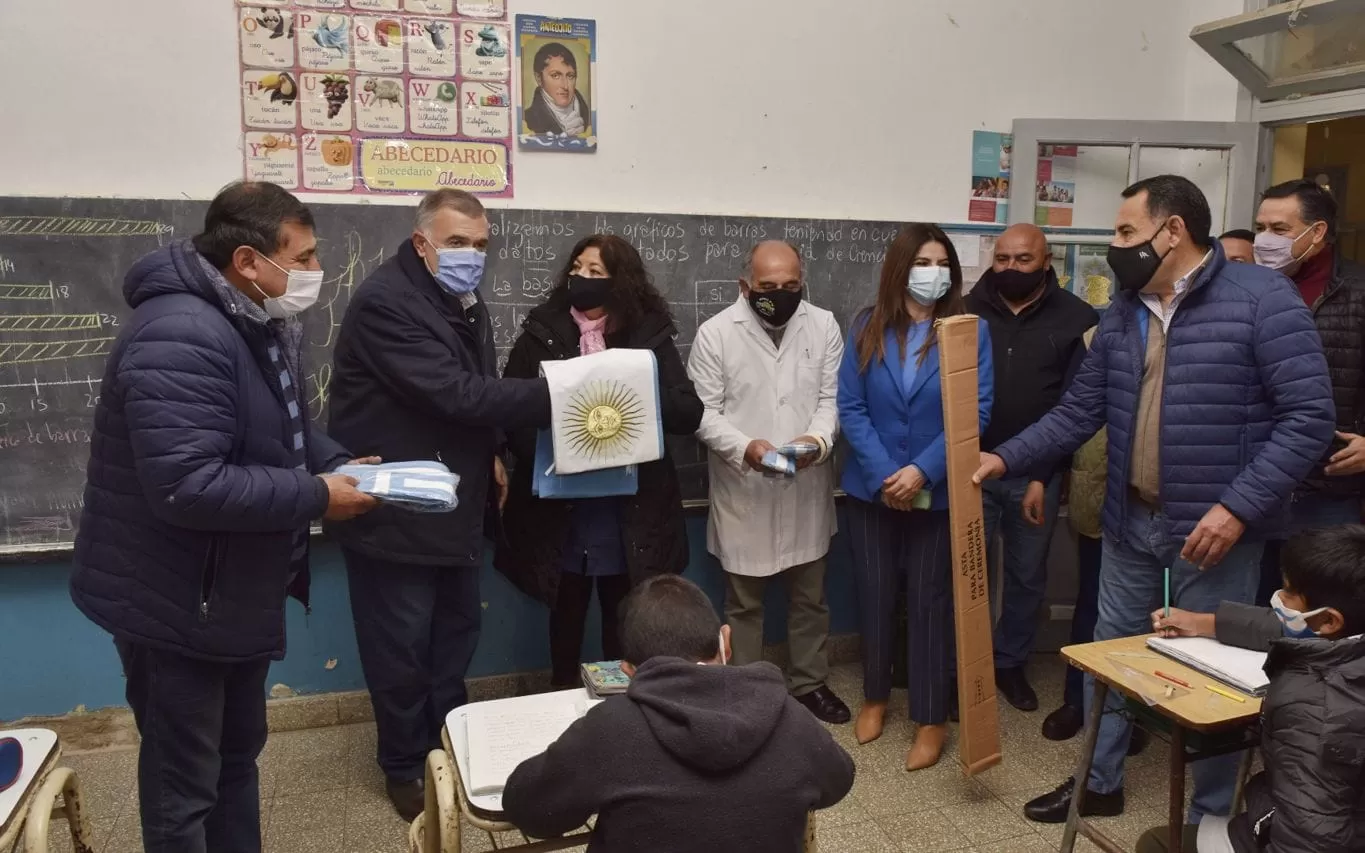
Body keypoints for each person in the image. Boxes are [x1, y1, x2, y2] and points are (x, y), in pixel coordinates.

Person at [973, 174, 1335, 825]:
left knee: (1211, 672)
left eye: (1123, 231)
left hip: (1214, 531)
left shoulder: (1262, 299)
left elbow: (1307, 419)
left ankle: (1210, 816)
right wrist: (1002, 456)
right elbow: (1079, 408)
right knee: (1110, 659)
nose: (1115, 246)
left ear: (1171, 232)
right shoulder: (1125, 306)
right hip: (1128, 521)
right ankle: (1098, 781)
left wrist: (1237, 508)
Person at [70, 181, 378, 853]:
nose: (313, 271)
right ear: (247, 260)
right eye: (302, 256)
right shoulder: (180, 332)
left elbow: (284, 430)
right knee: (185, 785)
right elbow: (189, 485)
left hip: (232, 595)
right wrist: (323, 495)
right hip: (178, 604)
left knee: (235, 760)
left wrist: (345, 462)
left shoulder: (256, 318)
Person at [327, 189, 552, 821]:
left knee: (455, 636)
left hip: (456, 502)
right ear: (423, 243)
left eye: (481, 245)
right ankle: (404, 765)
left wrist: (498, 453)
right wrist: (561, 392)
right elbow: (455, 393)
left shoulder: (458, 300)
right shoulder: (385, 303)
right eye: (457, 244)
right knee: (400, 647)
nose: (472, 256)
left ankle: (446, 747)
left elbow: (477, 382)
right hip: (398, 508)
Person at [501, 575, 856, 853]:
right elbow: (838, 782)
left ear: (627, 671)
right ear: (726, 642)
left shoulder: (610, 728)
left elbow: (528, 809)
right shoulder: (789, 716)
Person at [494, 234, 703, 688]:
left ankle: (623, 706)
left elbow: (689, 413)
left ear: (620, 282)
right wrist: (552, 454)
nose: (581, 278)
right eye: (577, 268)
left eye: (596, 272)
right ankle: (561, 692)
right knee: (565, 608)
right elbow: (509, 410)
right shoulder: (541, 331)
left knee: (624, 608)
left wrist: (637, 381)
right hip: (562, 507)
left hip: (629, 509)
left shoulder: (649, 334)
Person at [837, 223, 994, 771]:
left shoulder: (968, 331)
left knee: (929, 604)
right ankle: (876, 697)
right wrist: (887, 474)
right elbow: (851, 407)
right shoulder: (866, 325)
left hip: (939, 493)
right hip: (871, 491)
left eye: (941, 261)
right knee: (875, 596)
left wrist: (921, 471)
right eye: (922, 261)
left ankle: (931, 718)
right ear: (900, 269)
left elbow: (974, 411)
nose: (933, 271)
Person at [687, 240, 850, 725]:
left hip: (807, 488)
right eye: (767, 287)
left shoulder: (822, 326)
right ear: (745, 286)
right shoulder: (716, 334)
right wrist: (747, 448)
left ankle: (810, 685)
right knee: (744, 604)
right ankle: (747, 691)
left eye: (790, 286)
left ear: (803, 284)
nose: (779, 295)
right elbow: (703, 414)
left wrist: (817, 441)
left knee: (810, 599)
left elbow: (830, 399)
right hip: (745, 491)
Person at [1135, 525, 1365, 853]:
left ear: (1329, 622)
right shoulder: (1345, 628)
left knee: (1158, 843)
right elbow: (1284, 625)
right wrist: (1206, 623)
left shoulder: (1317, 710)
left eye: (1288, 594)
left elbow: (1309, 840)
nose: (1279, 601)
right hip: (1325, 817)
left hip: (1315, 834)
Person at [965, 223, 1097, 711]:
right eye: (1002, 259)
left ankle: (1009, 664)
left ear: (1047, 263)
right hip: (970, 471)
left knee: (1025, 576)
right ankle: (968, 666)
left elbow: (1074, 406)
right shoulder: (963, 310)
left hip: (1034, 478)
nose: (1011, 268)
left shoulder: (1076, 318)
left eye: (1023, 260)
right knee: (967, 575)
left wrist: (1043, 476)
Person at [1253, 179, 1365, 604]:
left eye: (1279, 230)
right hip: (1256, 484)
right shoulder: (1247, 287)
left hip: (1329, 488)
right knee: (1255, 608)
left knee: (1322, 609)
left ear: (1316, 232)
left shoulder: (1358, 290)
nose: (1265, 239)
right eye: (1260, 227)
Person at [523, 41, 591, 137]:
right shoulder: (527, 120)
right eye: (555, 76)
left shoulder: (590, 117)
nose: (565, 86)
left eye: (570, 76)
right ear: (539, 78)